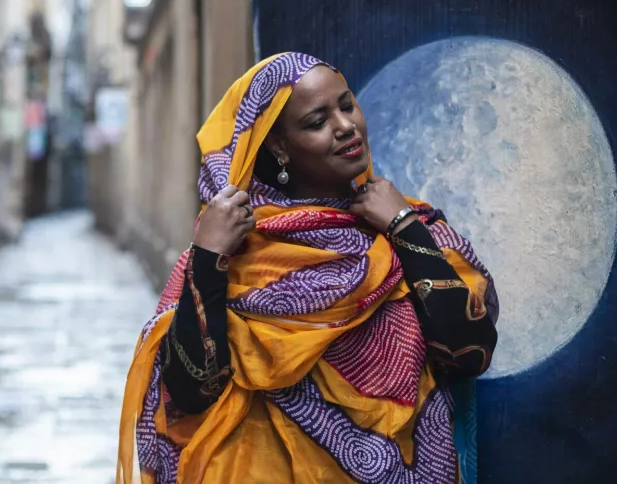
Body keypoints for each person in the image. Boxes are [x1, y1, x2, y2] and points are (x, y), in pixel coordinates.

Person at [117, 53, 499, 483]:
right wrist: (207, 258)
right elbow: (190, 391)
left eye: (347, 105)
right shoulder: (234, 254)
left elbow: (472, 352)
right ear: (278, 146)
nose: (345, 126)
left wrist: (403, 227)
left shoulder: (415, 229)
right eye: (317, 122)